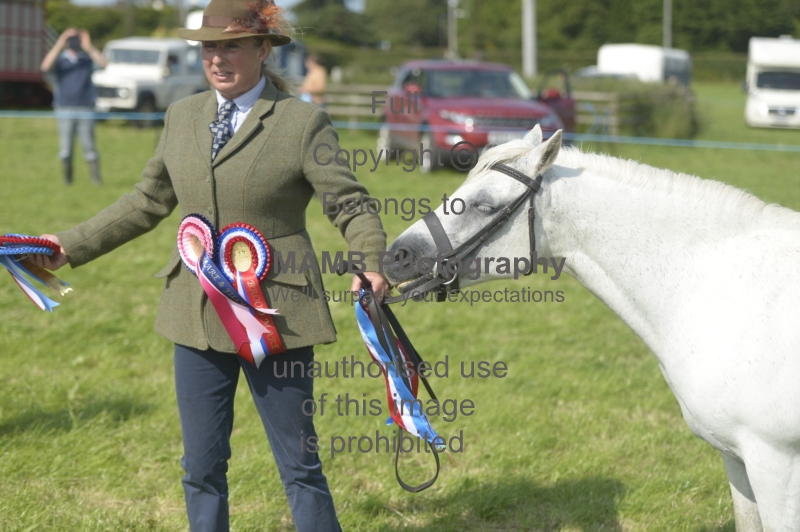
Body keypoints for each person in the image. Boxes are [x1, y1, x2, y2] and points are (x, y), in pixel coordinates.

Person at [31, 0, 388, 530]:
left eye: (231, 46)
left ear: (262, 50)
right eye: (208, 48)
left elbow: (351, 204)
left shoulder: (302, 122)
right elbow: (146, 201)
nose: (217, 59)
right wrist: (68, 244)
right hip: (193, 314)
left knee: (300, 468)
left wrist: (369, 261)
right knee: (200, 468)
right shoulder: (182, 115)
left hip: (279, 318)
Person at [40, 28, 107, 186]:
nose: (74, 42)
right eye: (71, 39)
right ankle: (68, 181)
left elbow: (104, 64)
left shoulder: (86, 59)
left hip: (86, 109)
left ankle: (96, 180)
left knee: (89, 146)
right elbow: (44, 67)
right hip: (64, 109)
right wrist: (60, 41)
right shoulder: (60, 60)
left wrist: (88, 46)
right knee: (66, 148)